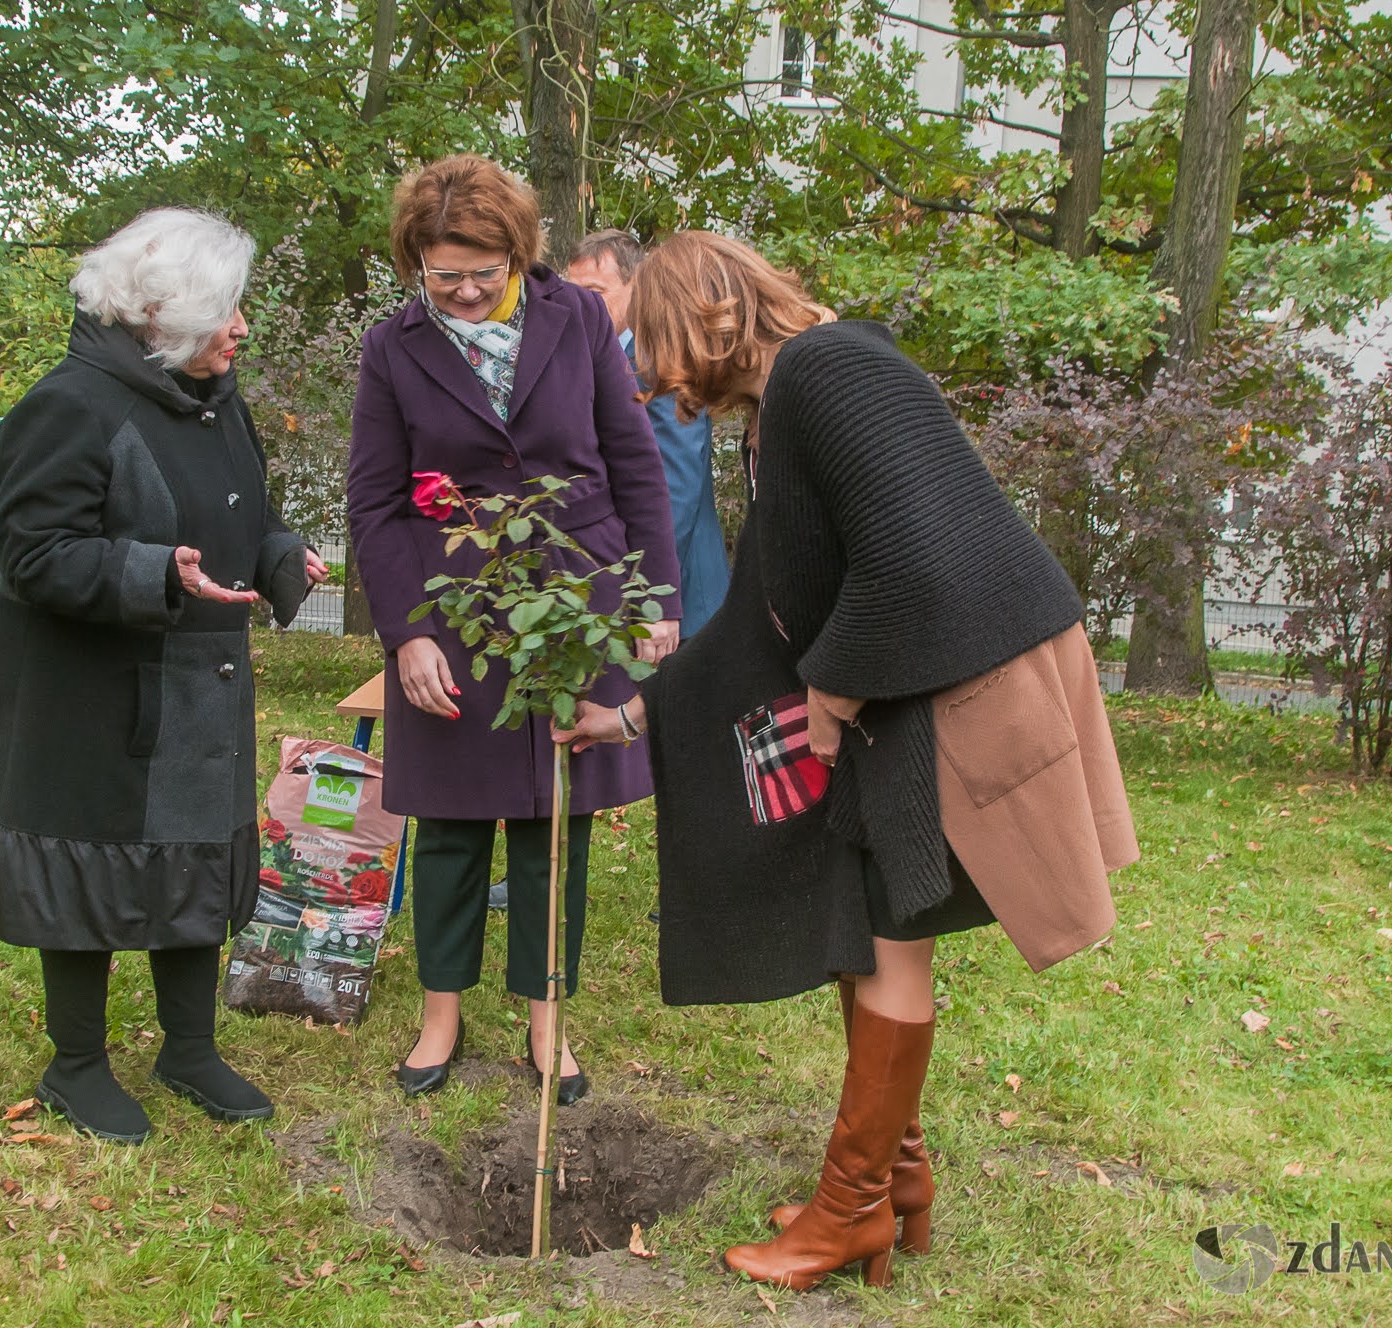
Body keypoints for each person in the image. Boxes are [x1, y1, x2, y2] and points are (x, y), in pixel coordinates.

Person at [556, 232, 1137, 1289]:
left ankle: (851, 1206)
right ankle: (887, 1183)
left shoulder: (832, 371)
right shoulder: (787, 404)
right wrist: (633, 715)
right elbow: (759, 615)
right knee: (873, 920)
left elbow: (915, 558)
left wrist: (830, 688)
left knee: (886, 927)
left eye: (647, 336)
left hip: (962, 676)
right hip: (914, 679)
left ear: (702, 310)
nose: (643, 368)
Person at [0, 207, 329, 1143]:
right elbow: (31, 555)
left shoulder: (215, 396)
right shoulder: (67, 406)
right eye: (225, 310)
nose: (241, 329)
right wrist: (152, 572)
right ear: (158, 315)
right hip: (87, 696)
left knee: (196, 860)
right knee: (83, 869)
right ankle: (75, 1064)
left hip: (198, 684)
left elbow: (246, 514)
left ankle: (188, 1049)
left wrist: (282, 559)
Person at [346, 155, 682, 1105]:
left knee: (554, 816)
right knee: (450, 820)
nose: (461, 289)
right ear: (416, 258)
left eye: (481, 270)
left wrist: (653, 602)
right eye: (442, 271)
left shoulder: (576, 320)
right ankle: (440, 1016)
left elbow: (634, 465)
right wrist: (408, 633)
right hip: (451, 609)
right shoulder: (392, 347)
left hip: (573, 605)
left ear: (517, 253)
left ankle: (547, 1021)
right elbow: (374, 503)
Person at [566, 229, 729, 638]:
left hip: (677, 604)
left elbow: (675, 491)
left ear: (635, 288)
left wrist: (643, 597)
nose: (579, 306)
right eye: (573, 293)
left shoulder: (659, 364)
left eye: (595, 291)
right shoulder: (592, 362)